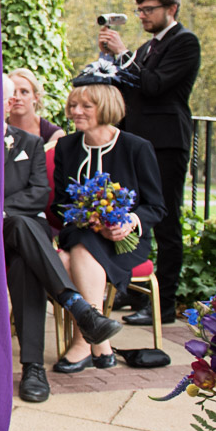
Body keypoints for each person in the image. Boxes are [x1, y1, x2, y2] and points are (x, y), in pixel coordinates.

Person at [0, 74, 122, 403]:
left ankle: (34, 366)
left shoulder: (30, 143)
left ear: (9, 104)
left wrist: (2, 209)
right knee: (24, 233)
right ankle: (76, 307)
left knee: (26, 257)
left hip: (24, 232)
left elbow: (39, 195)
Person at [52, 64, 166, 373]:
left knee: (65, 263)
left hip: (125, 241)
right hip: (80, 233)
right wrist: (88, 218)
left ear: (105, 107)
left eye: (85, 106)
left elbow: (156, 206)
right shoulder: (66, 146)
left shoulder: (136, 148)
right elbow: (60, 204)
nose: (75, 111)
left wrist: (128, 222)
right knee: (80, 241)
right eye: (73, 104)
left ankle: (83, 343)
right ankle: (98, 342)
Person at [99, 0, 200, 327]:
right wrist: (110, 62)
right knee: (131, 216)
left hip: (167, 143)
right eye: (139, 9)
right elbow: (131, 90)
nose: (142, 15)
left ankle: (165, 303)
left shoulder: (185, 42)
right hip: (136, 142)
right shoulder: (145, 49)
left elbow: (155, 86)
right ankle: (131, 287)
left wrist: (124, 54)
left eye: (149, 9)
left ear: (171, 9)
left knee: (166, 219)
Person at [7, 68, 65, 144]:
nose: (17, 97)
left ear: (36, 97)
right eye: (13, 92)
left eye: (24, 92)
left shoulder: (54, 135)